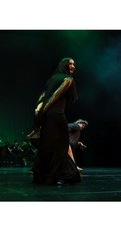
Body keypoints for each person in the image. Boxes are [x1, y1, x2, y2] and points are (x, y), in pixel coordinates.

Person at [30, 57, 82, 185]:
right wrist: (43, 111)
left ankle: (44, 176)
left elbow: (42, 96)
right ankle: (56, 175)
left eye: (74, 64)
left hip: (47, 116)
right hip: (56, 116)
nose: (73, 66)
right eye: (70, 64)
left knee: (47, 146)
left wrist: (39, 111)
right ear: (64, 65)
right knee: (61, 146)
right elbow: (53, 97)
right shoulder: (67, 79)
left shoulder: (52, 78)